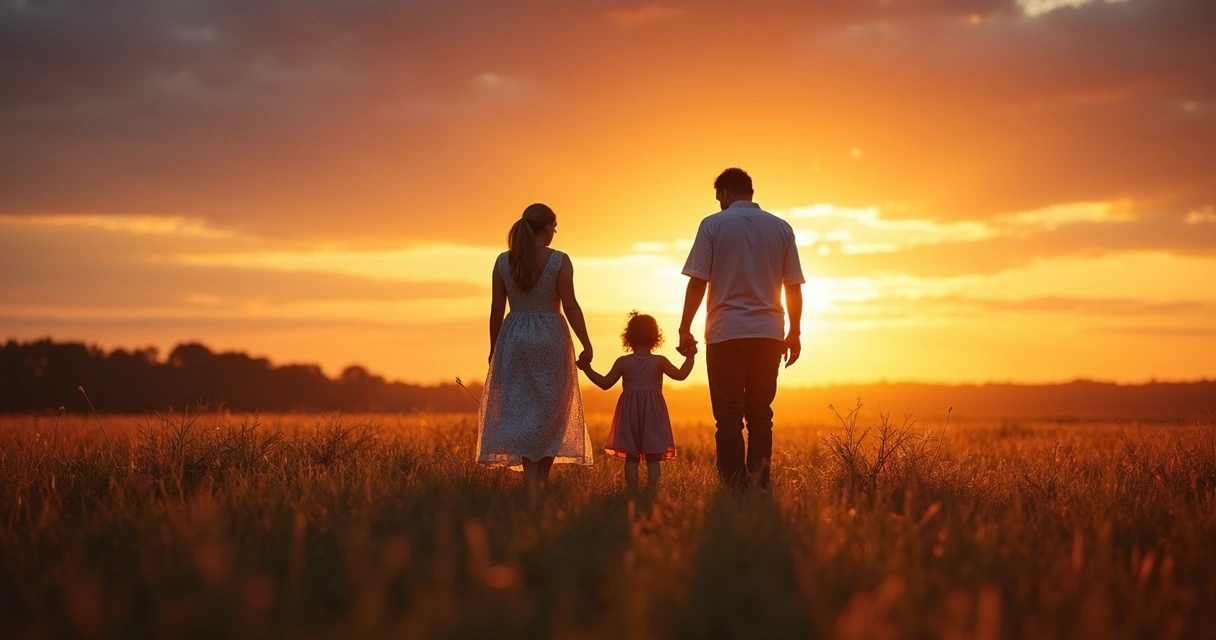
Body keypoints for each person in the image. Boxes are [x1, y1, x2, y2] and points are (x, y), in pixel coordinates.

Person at [677, 168, 804, 490]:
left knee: (728, 418)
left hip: (725, 332)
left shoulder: (712, 225)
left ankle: (734, 489)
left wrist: (684, 328)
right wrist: (795, 333)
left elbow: (698, 281)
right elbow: (793, 287)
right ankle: (760, 486)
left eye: (718, 196)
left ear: (724, 193)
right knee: (761, 415)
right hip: (768, 333)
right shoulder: (781, 228)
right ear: (750, 190)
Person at [477, 203, 595, 504]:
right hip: (551, 337)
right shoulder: (559, 260)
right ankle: (538, 482)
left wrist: (494, 347)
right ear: (545, 228)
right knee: (551, 412)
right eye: (554, 227)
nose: (555, 232)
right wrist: (586, 342)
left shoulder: (503, 261)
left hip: (514, 337)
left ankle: (533, 484)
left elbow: (495, 309)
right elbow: (570, 306)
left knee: (521, 410)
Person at [578, 312, 694, 495]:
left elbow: (605, 383)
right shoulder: (659, 361)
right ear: (656, 337)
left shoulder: (623, 362)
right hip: (653, 414)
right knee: (653, 458)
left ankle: (632, 493)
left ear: (629, 337)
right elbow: (681, 375)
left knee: (631, 458)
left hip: (629, 412)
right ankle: (651, 492)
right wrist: (690, 357)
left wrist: (587, 369)